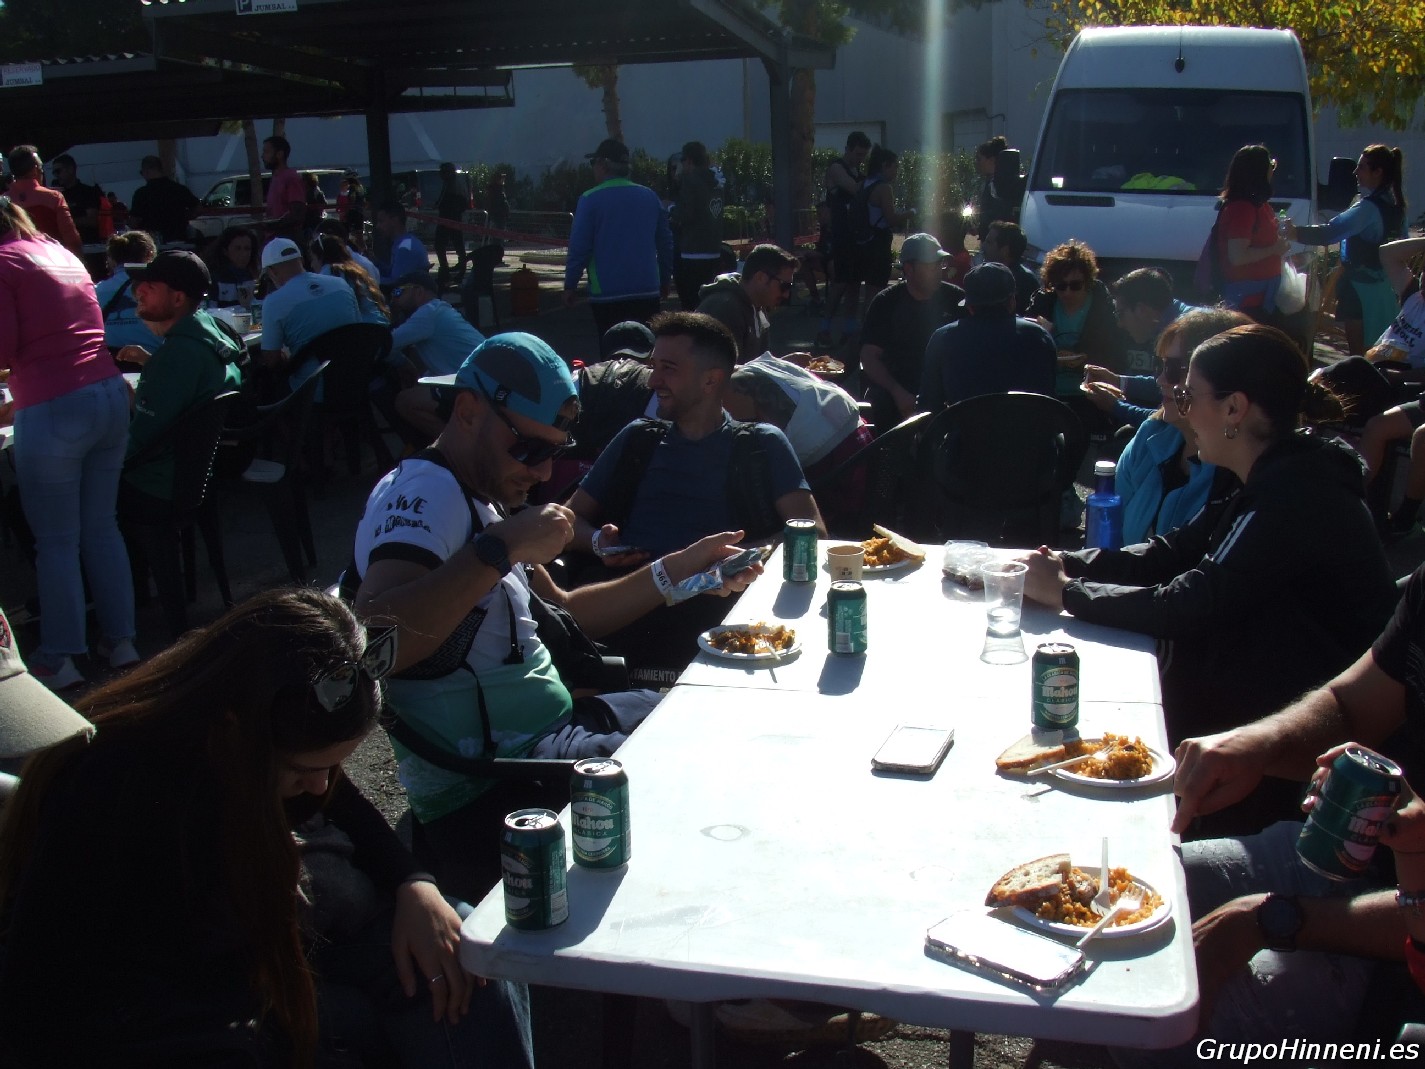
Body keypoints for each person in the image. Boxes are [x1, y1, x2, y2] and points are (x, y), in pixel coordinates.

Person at [0, 589, 534, 1067]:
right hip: (197, 1005)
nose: (320, 788)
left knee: (470, 952)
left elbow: (344, 803)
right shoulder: (120, 788)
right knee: (399, 1004)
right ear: (234, 730)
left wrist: (414, 883)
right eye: (302, 773)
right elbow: (76, 988)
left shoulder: (269, 733)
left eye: (334, 767)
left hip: (287, 953)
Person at [351, 333, 758, 896]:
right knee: (712, 767)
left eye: (555, 452)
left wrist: (683, 570)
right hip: (500, 780)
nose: (544, 473)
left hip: (552, 735)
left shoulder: (478, 491)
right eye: (528, 449)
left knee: (723, 715)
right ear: (467, 411)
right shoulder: (429, 493)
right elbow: (374, 644)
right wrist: (500, 549)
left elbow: (567, 614)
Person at [1017, 324, 1398, 835]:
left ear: (1234, 408)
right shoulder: (1265, 474)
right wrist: (1061, 562)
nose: (1181, 410)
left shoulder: (1296, 493)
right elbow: (1169, 553)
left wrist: (1066, 591)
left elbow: (1194, 601)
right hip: (1253, 700)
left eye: (1187, 396)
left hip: (1295, 756)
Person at [567, 312, 822, 683]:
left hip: (722, 617)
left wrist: (734, 560)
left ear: (711, 380)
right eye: (654, 366)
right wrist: (597, 541)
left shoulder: (761, 444)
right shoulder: (638, 438)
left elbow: (812, 534)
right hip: (629, 610)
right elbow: (565, 523)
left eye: (668, 369)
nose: (652, 380)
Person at [0, 197, 136, 688]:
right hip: (107, 393)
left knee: (56, 541)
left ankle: (60, 657)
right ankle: (121, 641)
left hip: (55, 405)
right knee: (101, 527)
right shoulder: (58, 252)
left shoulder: (4, 262)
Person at [115, 251, 245, 637]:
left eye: (150, 286)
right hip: (195, 476)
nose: (138, 291)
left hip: (158, 485)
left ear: (177, 298)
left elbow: (138, 442)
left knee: (52, 498)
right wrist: (153, 366)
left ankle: (103, 609)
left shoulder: (176, 357)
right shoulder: (211, 332)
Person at [1112, 309, 1249, 544]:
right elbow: (1109, 535)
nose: (1161, 380)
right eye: (1160, 366)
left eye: (1175, 369)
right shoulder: (1149, 437)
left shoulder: (1238, 469)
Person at [724, 354, 872, 532]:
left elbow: (743, 445)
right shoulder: (764, 363)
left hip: (835, 464)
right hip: (863, 439)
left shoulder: (733, 387)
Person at [1287, 144, 1407, 354]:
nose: (1355, 172)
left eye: (1361, 167)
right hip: (1384, 291)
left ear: (1377, 172)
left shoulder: (1367, 208)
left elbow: (1330, 232)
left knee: (1359, 356)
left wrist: (1294, 232)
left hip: (1359, 291)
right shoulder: (1397, 208)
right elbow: (1402, 246)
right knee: (1381, 354)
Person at [563, 137, 674, 340]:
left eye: (593, 162)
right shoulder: (650, 196)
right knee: (646, 349)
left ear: (603, 164)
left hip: (607, 294)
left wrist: (570, 285)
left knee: (611, 352)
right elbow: (665, 243)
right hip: (647, 289)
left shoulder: (590, 199)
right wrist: (665, 279)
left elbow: (580, 247)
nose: (592, 168)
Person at [860, 233, 965, 430]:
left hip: (945, 387)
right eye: (932, 266)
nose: (939, 271)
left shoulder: (956, 299)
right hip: (898, 386)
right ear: (909, 268)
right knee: (880, 401)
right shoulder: (886, 303)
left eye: (940, 265)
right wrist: (897, 392)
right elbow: (869, 356)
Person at [918, 262, 1056, 412]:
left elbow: (929, 405)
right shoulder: (1039, 337)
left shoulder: (942, 339)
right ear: (1012, 301)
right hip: (1026, 427)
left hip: (966, 427)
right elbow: (1049, 402)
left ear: (969, 307)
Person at [388, 271, 486, 442]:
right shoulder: (439, 311)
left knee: (403, 401)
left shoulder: (427, 313)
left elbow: (386, 344)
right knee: (416, 388)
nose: (393, 299)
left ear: (418, 291)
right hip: (481, 382)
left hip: (474, 388)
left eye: (398, 292)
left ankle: (458, 448)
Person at [258, 236, 360, 386]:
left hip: (311, 389)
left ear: (271, 271)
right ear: (301, 260)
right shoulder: (341, 284)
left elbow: (271, 361)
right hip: (355, 380)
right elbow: (358, 330)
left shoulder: (273, 302)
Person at [1211, 144, 1292, 319]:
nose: (1272, 170)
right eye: (1270, 165)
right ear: (1259, 171)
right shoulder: (1242, 208)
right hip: (1246, 301)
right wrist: (1274, 249)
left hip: (1262, 297)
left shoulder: (1259, 204)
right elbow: (1238, 256)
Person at [694, 242, 798, 361]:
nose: (786, 294)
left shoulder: (758, 306)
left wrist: (786, 364)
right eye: (784, 286)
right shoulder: (725, 309)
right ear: (760, 278)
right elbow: (724, 369)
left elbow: (757, 364)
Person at [816, 130, 872, 348]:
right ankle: (824, 329)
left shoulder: (858, 171)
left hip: (855, 235)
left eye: (863, 156)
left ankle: (849, 328)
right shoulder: (836, 168)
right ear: (847, 149)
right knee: (839, 283)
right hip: (839, 235)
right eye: (857, 154)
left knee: (854, 283)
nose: (860, 159)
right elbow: (856, 189)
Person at [853, 147, 916, 306]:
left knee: (865, 289)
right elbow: (891, 219)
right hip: (878, 243)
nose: (896, 172)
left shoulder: (862, 184)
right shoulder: (884, 188)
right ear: (884, 165)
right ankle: (873, 319)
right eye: (895, 167)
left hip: (861, 242)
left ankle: (861, 319)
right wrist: (911, 213)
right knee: (877, 290)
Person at [670, 141, 724, 309]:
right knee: (708, 302)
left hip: (693, 250)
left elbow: (686, 213)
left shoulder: (690, 180)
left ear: (689, 160)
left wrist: (672, 210)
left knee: (691, 302)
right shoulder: (716, 179)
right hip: (713, 248)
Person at [93, 230, 164, 355]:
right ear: (150, 255)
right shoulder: (164, 290)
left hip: (108, 364)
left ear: (112, 259)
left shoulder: (93, 292)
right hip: (152, 363)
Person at [4, 146, 81, 254]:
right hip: (51, 259)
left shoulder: (3, 202)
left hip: (14, 261)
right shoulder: (54, 197)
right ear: (35, 170)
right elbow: (72, 240)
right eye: (41, 167)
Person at [128, 154, 199, 245]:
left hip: (154, 241)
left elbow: (134, 221)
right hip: (179, 237)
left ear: (146, 171)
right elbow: (197, 208)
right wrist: (184, 217)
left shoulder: (141, 194)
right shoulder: (179, 189)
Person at [980, 220, 1040, 316]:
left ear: (1005, 250)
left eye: (989, 242)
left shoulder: (1026, 282)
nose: (983, 246)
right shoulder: (981, 274)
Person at [49, 152, 103, 246]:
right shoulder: (57, 195)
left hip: (87, 243)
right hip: (65, 245)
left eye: (58, 171)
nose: (56, 176)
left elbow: (92, 220)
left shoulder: (87, 192)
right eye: (54, 173)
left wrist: (66, 221)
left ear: (70, 169)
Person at [373, 199, 430, 287]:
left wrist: (368, 279)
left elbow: (396, 284)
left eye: (381, 221)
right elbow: (393, 272)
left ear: (394, 220)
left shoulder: (405, 248)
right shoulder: (402, 243)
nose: (378, 226)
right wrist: (374, 263)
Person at [262, 136, 306, 243]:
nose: (262, 156)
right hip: (274, 240)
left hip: (286, 241)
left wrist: (274, 225)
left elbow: (297, 214)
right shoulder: (276, 178)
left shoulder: (291, 178)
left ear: (279, 154)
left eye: (267, 152)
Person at [433, 162, 469, 293]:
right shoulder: (450, 184)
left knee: (445, 245)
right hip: (449, 219)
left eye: (443, 172)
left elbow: (457, 203)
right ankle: (449, 271)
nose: (440, 175)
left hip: (450, 219)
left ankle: (454, 271)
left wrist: (447, 211)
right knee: (450, 245)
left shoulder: (454, 186)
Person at [973, 135, 1014, 242]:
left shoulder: (999, 185)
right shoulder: (989, 182)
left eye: (979, 159)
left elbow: (998, 214)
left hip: (997, 242)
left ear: (991, 160)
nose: (977, 163)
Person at [208, 225, 261, 307]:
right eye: (237, 248)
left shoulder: (256, 278)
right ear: (225, 251)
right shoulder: (214, 279)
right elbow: (210, 309)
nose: (243, 254)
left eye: (247, 249)